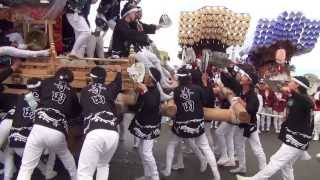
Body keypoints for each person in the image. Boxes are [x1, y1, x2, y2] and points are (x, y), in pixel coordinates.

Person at [237, 76, 314, 180]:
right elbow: (294, 110)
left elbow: (309, 103)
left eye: (291, 82)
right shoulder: (294, 98)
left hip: (296, 139)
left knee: (276, 160)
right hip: (294, 137)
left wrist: (291, 92)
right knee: (287, 165)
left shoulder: (304, 99)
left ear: (297, 85)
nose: (288, 83)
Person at [16, 67, 81, 180]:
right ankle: (76, 177)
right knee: (65, 155)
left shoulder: (47, 81)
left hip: (39, 127)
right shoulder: (72, 91)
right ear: (70, 79)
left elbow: (30, 94)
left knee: (26, 168)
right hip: (57, 131)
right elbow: (76, 113)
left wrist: (36, 111)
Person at [162, 66, 221, 180]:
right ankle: (217, 176)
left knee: (172, 145)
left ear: (180, 79)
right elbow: (205, 101)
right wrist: (204, 85)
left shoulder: (177, 91)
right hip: (198, 124)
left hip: (181, 125)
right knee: (206, 148)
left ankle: (168, 170)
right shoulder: (198, 89)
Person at [5, 78, 57, 180]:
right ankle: (48, 171)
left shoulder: (21, 98)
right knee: (53, 146)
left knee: (20, 158)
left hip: (13, 142)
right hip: (27, 144)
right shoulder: (41, 100)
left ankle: (7, 176)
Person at [111, 3, 173, 89]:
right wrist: (144, 37)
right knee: (150, 66)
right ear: (128, 13)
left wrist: (159, 26)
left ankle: (163, 82)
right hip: (125, 52)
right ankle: (160, 91)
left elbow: (145, 27)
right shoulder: (121, 23)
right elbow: (129, 34)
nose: (136, 14)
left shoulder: (131, 23)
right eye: (134, 12)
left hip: (136, 49)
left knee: (155, 59)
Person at [77, 66, 122, 180]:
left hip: (95, 131)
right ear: (104, 79)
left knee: (84, 174)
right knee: (103, 165)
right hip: (113, 133)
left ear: (91, 78)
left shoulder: (85, 90)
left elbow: (81, 108)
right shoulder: (109, 89)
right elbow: (117, 84)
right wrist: (119, 72)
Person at [230, 64, 267, 174]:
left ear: (249, 81)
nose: (241, 77)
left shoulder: (253, 95)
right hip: (241, 124)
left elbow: (252, 110)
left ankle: (264, 171)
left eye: (244, 76)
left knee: (256, 149)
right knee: (238, 145)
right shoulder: (241, 90)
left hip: (250, 126)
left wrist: (240, 101)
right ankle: (242, 166)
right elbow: (230, 80)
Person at [128, 67, 162, 180]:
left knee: (146, 153)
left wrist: (145, 91)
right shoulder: (146, 87)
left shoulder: (155, 92)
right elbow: (139, 103)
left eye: (148, 75)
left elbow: (151, 104)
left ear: (151, 79)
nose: (145, 75)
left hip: (150, 125)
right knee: (142, 152)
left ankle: (155, 176)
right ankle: (147, 175)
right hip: (142, 123)